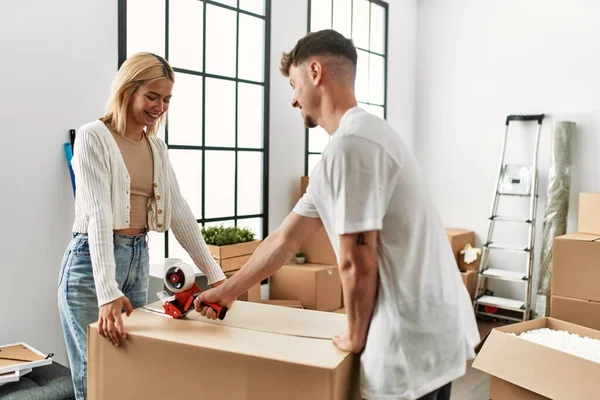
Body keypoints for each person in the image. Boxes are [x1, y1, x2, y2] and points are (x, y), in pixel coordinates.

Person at [194, 30, 480, 400]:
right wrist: (227, 291)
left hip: (409, 340)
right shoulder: (366, 137)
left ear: (315, 73)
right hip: (435, 331)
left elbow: (357, 259)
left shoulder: (350, 147)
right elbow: (285, 239)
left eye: (294, 85)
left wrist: (355, 334)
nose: (294, 101)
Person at [57, 52, 226, 400]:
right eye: (152, 96)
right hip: (91, 267)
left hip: (138, 258)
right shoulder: (93, 137)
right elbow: (100, 214)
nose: (160, 107)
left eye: (166, 99)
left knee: (129, 376)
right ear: (127, 90)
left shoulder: (156, 147)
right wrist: (107, 293)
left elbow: (179, 212)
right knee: (96, 381)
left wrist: (218, 275)